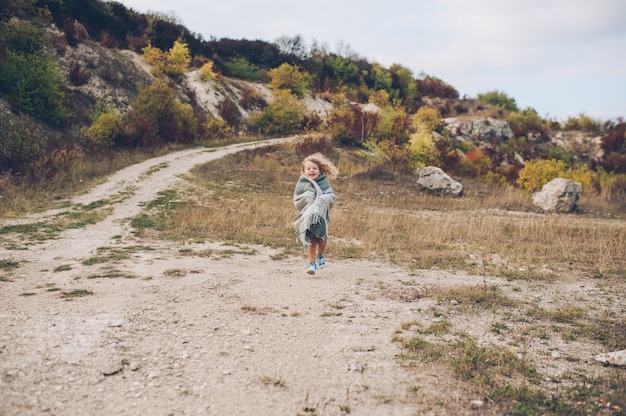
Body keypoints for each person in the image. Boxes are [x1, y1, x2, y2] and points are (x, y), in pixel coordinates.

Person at [293, 153, 338, 275]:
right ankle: (312, 264)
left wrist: (321, 200)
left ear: (320, 170)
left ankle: (320, 255)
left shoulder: (323, 182)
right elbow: (297, 198)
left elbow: (331, 196)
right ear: (304, 171)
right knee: (312, 241)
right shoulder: (302, 183)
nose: (311, 171)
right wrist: (307, 197)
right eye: (308, 169)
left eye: (314, 168)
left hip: (321, 216)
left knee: (322, 241)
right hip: (308, 217)